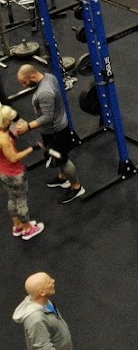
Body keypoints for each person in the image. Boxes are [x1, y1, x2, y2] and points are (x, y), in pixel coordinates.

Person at [13, 64, 83, 203]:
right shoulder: (49, 77)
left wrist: (28, 126)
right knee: (56, 156)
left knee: (62, 159)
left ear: (32, 76)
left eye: (25, 82)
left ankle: (76, 187)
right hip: (54, 129)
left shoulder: (44, 92)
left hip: (55, 131)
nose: (24, 86)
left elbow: (47, 117)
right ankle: (63, 177)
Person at [0, 105, 43, 240]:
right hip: (14, 174)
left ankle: (17, 226)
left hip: (3, 172)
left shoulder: (3, 132)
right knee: (21, 201)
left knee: (12, 198)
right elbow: (13, 158)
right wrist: (32, 148)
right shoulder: (4, 139)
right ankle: (27, 229)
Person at [12, 272, 75, 350]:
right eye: (49, 282)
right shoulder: (35, 318)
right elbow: (43, 348)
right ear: (42, 292)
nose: (53, 281)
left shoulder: (46, 304)